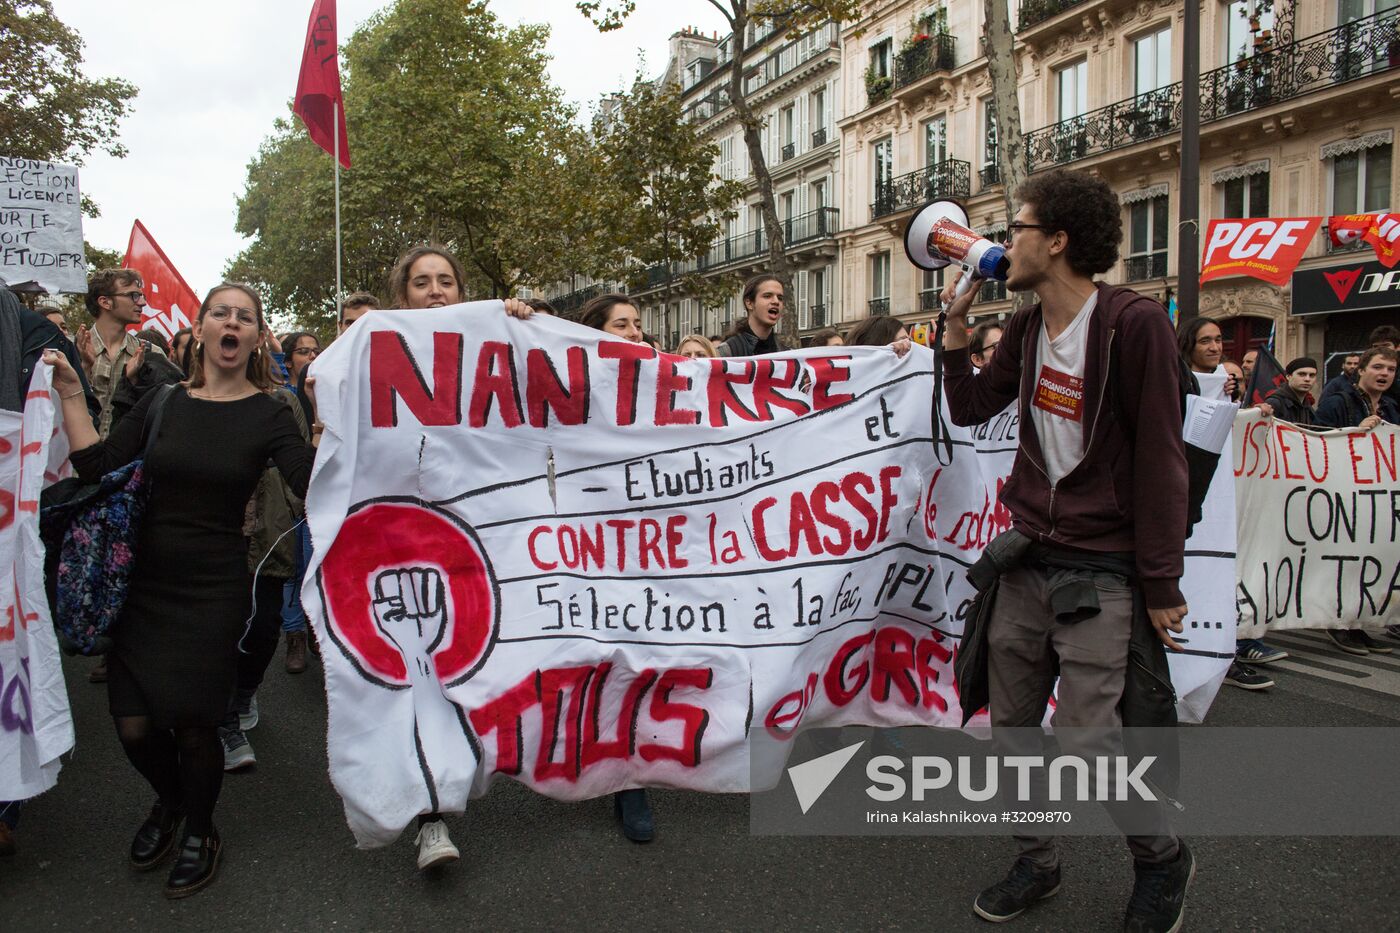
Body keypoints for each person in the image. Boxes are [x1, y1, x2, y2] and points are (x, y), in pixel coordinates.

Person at [937, 169, 1193, 931]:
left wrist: (1160, 579)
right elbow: (970, 403)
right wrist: (954, 336)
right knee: (1011, 725)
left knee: (1087, 739)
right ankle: (1037, 860)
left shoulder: (1131, 323)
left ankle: (1160, 856)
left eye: (1015, 227)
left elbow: (1162, 457)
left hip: (1104, 568)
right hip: (1030, 557)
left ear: (1056, 241)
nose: (1001, 241)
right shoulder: (1023, 328)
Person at [43, 282, 315, 899]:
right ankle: (168, 801)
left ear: (255, 338)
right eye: (221, 312)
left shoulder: (271, 411)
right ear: (200, 327)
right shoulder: (164, 399)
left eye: (245, 318)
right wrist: (67, 393)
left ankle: (200, 827)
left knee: (195, 724)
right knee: (134, 727)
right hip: (143, 584)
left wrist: (329, 419)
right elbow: (96, 463)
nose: (232, 323)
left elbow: (311, 487)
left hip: (214, 588)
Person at [1177, 319, 1280, 684]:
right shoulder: (1175, 385)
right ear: (1188, 345)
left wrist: (1247, 411)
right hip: (1185, 499)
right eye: (1205, 340)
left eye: (1218, 340)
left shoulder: (1228, 388)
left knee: (1214, 578)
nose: (1214, 346)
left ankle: (1221, 655)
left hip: (1219, 504)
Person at [1315, 346, 1399, 651]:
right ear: (1360, 369)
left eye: (1390, 370)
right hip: (1342, 493)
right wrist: (1353, 432)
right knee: (1345, 562)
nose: (1384, 374)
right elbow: (1316, 439)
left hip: (1374, 498)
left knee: (1367, 563)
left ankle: (1358, 623)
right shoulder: (1338, 401)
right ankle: (1337, 622)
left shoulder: (1389, 407)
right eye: (1378, 367)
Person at [716, 274, 785, 357]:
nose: (776, 301)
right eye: (767, 296)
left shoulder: (787, 354)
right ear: (749, 303)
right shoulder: (726, 351)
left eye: (780, 298)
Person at [1259, 357, 1318, 426]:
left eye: (1312, 375)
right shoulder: (1275, 402)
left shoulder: (1307, 406)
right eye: (1302, 374)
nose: (1307, 379)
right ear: (1288, 376)